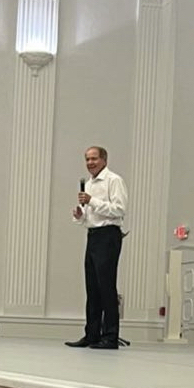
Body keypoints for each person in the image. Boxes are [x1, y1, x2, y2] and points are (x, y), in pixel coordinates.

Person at [65, 146, 129, 350]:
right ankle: (92, 334)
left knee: (106, 287)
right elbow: (89, 216)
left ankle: (110, 336)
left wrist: (92, 201)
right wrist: (80, 215)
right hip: (93, 235)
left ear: (104, 160)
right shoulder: (90, 184)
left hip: (109, 235)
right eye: (87, 159)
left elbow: (119, 210)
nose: (90, 163)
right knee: (92, 287)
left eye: (94, 158)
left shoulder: (114, 181)